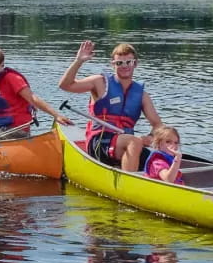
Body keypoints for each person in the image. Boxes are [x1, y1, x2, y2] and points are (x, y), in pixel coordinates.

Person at [58, 40, 163, 171]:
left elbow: (158, 125)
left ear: (135, 63)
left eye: (128, 62)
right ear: (113, 65)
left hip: (126, 141)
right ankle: (127, 185)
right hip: (100, 141)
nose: (124, 66)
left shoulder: (142, 95)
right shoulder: (99, 82)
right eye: (119, 63)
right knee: (134, 142)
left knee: (161, 158)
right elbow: (65, 85)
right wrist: (79, 61)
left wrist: (150, 137)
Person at [0, 46, 72, 141]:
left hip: (14, 132)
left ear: (1, 63)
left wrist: (56, 115)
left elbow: (32, 98)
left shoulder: (11, 78)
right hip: (2, 130)